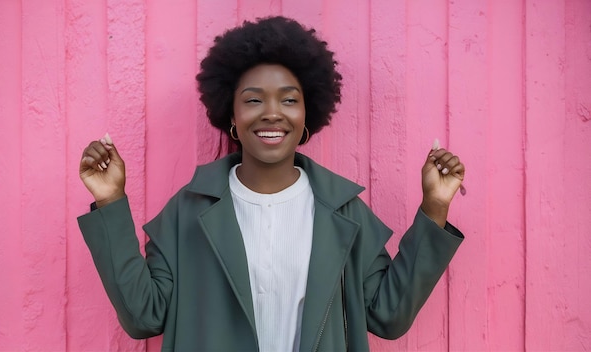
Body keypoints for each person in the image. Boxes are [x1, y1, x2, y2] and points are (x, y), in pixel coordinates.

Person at [78, 16, 465, 352]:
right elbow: (143, 317)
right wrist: (110, 200)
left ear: (306, 112)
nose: (272, 114)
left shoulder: (343, 212)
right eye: (253, 100)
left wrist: (434, 207)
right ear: (231, 113)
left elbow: (389, 316)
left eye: (289, 100)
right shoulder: (189, 210)